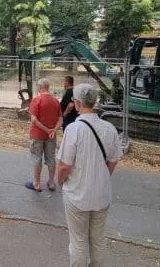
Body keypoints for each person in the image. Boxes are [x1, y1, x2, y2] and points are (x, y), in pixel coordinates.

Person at [57, 83, 123, 267]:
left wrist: (61, 181)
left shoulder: (74, 129)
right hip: (101, 194)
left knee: (78, 241)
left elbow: (64, 166)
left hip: (77, 194)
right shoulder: (109, 128)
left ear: (77, 103)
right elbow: (113, 160)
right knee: (98, 239)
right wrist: (102, 176)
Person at [26, 78, 62, 192]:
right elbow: (60, 119)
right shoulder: (55, 101)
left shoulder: (37, 100)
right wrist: (53, 130)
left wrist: (46, 130)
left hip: (37, 134)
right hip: (51, 136)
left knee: (37, 158)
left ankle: (36, 183)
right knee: (51, 158)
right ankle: (51, 182)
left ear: (40, 87)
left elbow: (34, 119)